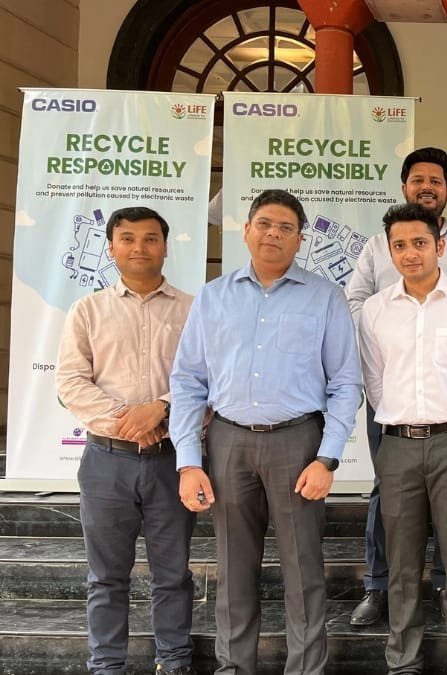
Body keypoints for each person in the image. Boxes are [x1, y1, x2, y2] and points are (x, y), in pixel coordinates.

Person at [170, 189, 363, 675]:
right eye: (265, 224)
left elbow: (345, 382)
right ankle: (234, 667)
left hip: (298, 443)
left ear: (300, 240)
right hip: (228, 441)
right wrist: (189, 462)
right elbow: (188, 381)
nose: (273, 234)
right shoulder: (214, 296)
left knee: (303, 568)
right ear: (247, 231)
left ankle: (307, 669)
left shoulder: (324, 297)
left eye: (285, 228)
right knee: (233, 568)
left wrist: (327, 457)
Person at [345, 146, 447, 626]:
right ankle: (378, 585)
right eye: (417, 179)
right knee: (385, 499)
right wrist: (390, 326)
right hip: (394, 402)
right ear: (404, 186)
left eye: (435, 180)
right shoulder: (376, 246)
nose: (426, 187)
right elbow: (356, 303)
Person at [56, 207, 196, 675]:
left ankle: (173, 661)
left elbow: (209, 379)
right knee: (106, 576)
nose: (140, 247)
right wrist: (128, 420)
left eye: (151, 238)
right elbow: (71, 382)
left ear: (165, 247)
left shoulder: (193, 310)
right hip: (106, 462)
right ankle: (106, 665)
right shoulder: (88, 310)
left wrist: (162, 408)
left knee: (172, 574)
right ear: (111, 248)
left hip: (171, 459)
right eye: (128, 238)